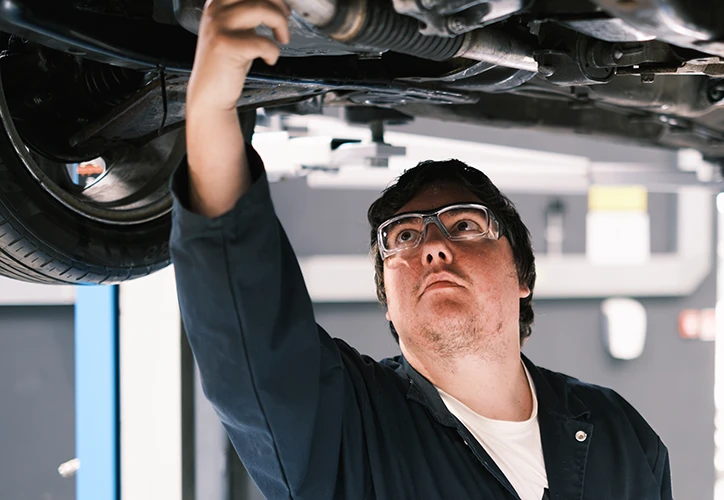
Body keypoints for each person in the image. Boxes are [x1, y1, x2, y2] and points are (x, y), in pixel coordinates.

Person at [171, 0, 675, 498]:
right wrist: (211, 108)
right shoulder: (351, 429)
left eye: (464, 225)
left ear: (522, 274)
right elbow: (251, 336)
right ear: (388, 302)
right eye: (404, 237)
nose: (432, 246)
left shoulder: (620, 436)